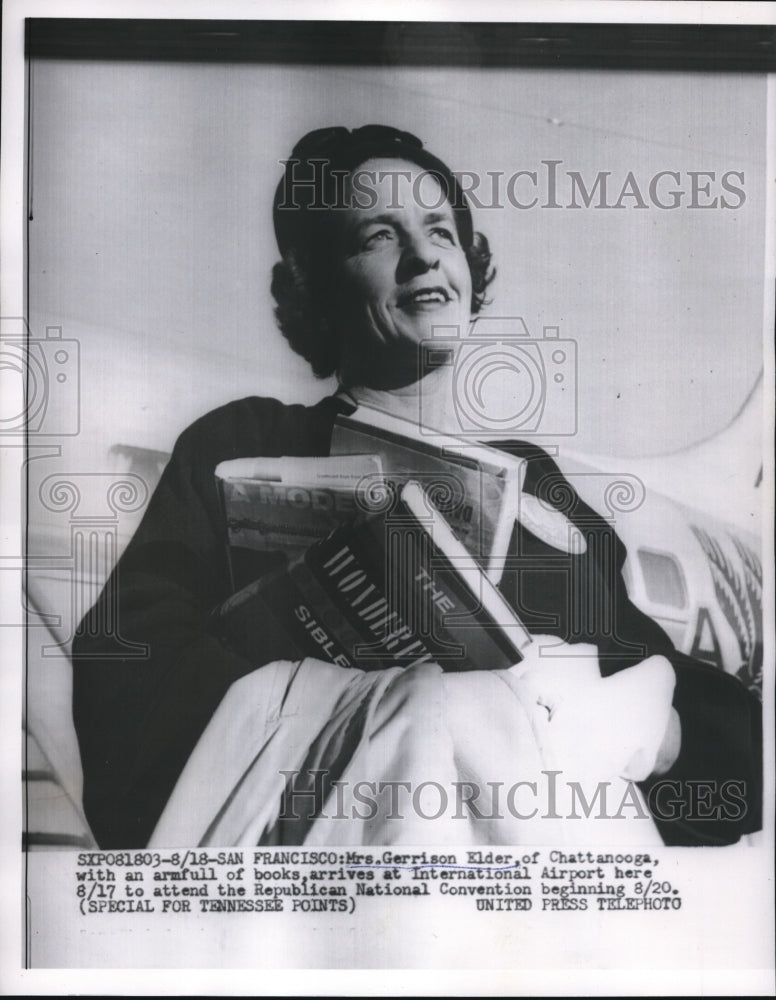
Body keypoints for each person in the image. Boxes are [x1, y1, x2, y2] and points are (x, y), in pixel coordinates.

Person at [71, 125, 761, 849]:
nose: (424, 255)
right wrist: (390, 702)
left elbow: (741, 763)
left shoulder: (541, 490)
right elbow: (126, 681)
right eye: (379, 235)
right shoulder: (243, 444)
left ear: (469, 266)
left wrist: (654, 731)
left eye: (441, 231)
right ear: (316, 287)